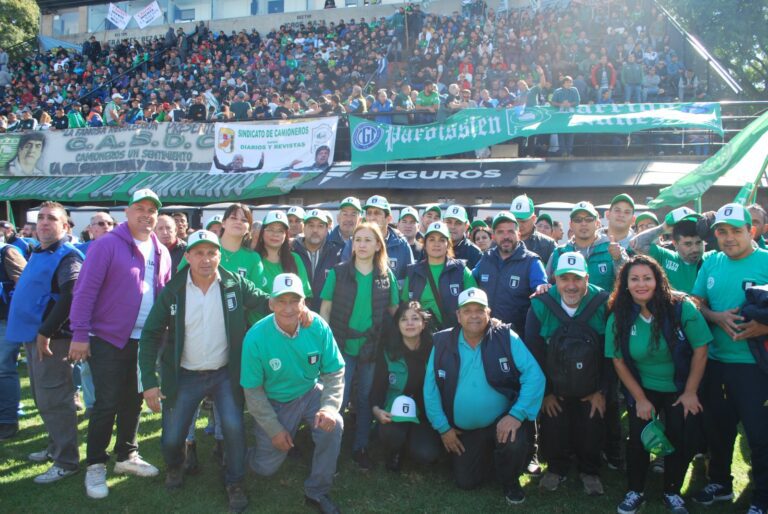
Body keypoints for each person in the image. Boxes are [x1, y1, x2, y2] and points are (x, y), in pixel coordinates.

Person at [137, 231, 273, 512]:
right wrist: (149, 382)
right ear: (187, 257)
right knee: (172, 438)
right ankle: (176, 465)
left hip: (224, 373)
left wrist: (294, 307)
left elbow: (265, 300)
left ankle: (234, 482)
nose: (205, 259)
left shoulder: (234, 283)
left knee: (234, 428)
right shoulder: (174, 290)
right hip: (185, 375)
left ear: (219, 255)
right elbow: (150, 334)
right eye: (198, 253)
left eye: (211, 252)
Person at [69, 189, 172, 499]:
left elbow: (163, 294)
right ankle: (96, 464)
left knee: (133, 400)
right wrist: (79, 333)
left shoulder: (161, 251)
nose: (146, 214)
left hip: (145, 340)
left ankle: (127, 456)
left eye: (151, 210)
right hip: (109, 338)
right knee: (106, 403)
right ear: (127, 213)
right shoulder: (107, 245)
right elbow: (85, 292)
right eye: (139, 208)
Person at [607, 255, 711, 514]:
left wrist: (690, 392)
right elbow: (618, 360)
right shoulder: (619, 314)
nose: (641, 284)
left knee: (679, 438)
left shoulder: (681, 307)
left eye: (647, 278)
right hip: (642, 386)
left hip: (679, 386)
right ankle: (635, 490)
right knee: (638, 439)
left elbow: (701, 349)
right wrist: (640, 399)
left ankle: (672, 492)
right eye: (634, 279)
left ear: (658, 280)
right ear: (625, 284)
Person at [424, 287, 545, 504]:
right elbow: (430, 389)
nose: (473, 315)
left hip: (502, 420)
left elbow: (535, 375)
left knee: (513, 440)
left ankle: (510, 482)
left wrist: (516, 415)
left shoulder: (506, 336)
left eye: (479, 310)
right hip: (464, 430)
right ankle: (493, 458)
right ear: (458, 316)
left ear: (488, 313)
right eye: (467, 310)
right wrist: (443, 428)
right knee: (466, 482)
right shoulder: (441, 342)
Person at [242, 273, 345, 514]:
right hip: (274, 401)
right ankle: (241, 453)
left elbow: (335, 371)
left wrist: (329, 406)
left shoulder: (317, 325)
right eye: (281, 301)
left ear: (304, 302)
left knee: (335, 424)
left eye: (294, 301)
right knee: (265, 467)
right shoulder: (256, 336)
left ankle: (317, 490)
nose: (288, 308)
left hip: (309, 393)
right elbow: (253, 392)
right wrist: (274, 430)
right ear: (271, 303)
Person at [691, 203, 768, 513]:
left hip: (755, 368)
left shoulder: (765, 260)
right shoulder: (710, 262)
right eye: (722, 232)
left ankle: (763, 497)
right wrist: (715, 316)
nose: (729, 238)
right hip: (717, 361)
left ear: (751, 231)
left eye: (736, 231)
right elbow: (695, 303)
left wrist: (763, 325)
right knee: (717, 430)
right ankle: (720, 482)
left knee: (760, 436)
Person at [5, 201, 84, 483]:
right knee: (42, 397)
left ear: (65, 226)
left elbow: (71, 294)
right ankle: (55, 449)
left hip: (51, 340)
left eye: (52, 218)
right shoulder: (40, 251)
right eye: (40, 218)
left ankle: (67, 461)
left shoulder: (67, 256)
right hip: (34, 335)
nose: (44, 223)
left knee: (56, 398)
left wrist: (46, 332)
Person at [525, 252, 609, 496]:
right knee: (554, 426)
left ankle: (590, 470)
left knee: (592, 427)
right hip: (556, 383)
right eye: (564, 279)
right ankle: (557, 468)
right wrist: (546, 393)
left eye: (577, 279)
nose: (571, 286)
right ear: (554, 280)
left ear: (587, 278)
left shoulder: (603, 303)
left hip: (591, 384)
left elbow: (611, 353)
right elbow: (534, 353)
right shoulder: (540, 305)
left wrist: (601, 391)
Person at [320, 223, 399, 470]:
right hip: (341, 347)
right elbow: (325, 310)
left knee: (365, 398)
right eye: (358, 239)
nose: (362, 244)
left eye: (368, 240)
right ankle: (329, 446)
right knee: (338, 399)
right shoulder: (338, 272)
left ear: (378, 246)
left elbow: (394, 312)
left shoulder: (386, 276)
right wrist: (325, 346)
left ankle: (360, 446)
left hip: (371, 348)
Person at [371, 301, 442, 471]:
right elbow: (377, 387)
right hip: (394, 412)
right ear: (397, 324)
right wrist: (376, 410)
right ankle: (395, 450)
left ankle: (414, 442)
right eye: (403, 319)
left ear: (423, 324)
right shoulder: (388, 352)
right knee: (392, 434)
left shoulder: (436, 349)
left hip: (425, 413)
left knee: (427, 454)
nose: (409, 323)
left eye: (415, 318)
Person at [472, 211, 547, 336]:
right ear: (494, 236)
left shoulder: (531, 262)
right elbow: (469, 280)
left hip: (517, 339)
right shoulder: (486, 258)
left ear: (518, 234)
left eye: (510, 232)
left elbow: (540, 291)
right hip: (485, 336)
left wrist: (542, 287)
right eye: (500, 232)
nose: (506, 236)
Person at [402, 222, 477, 331]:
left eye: (442, 240)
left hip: (453, 336)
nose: (436, 244)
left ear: (448, 244)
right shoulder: (413, 272)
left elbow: (474, 304)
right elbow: (405, 306)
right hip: (422, 337)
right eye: (432, 239)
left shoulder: (461, 270)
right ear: (425, 244)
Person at [547, 202, 628, 293]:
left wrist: (618, 259)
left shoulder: (614, 249)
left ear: (597, 223)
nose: (583, 223)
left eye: (589, 219)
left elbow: (628, 282)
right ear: (571, 225)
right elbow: (547, 285)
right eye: (578, 220)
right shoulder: (559, 252)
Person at [630, 207, 713, 294]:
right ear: (675, 244)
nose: (695, 249)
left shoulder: (712, 258)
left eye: (698, 242)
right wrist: (663, 227)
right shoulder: (666, 257)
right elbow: (636, 244)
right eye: (688, 244)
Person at [340, 196, 414, 282]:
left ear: (388, 218)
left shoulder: (401, 244)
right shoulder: (353, 242)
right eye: (369, 213)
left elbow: (410, 279)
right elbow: (344, 277)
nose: (372, 217)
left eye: (377, 213)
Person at [0, 236, 27, 440]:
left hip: (5, 320)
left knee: (3, 368)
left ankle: (8, 420)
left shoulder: (7, 252)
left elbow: (27, 284)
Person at [254, 210, 312, 304]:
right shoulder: (253, 259)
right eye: (271, 229)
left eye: (280, 231)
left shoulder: (295, 259)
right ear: (262, 232)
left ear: (286, 235)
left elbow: (305, 295)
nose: (275, 234)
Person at [292, 209, 343, 312]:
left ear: (326, 229)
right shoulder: (292, 251)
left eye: (320, 226)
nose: (315, 230)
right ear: (304, 228)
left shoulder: (337, 253)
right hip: (296, 315)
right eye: (311, 225)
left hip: (327, 317)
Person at [510, 194, 555, 265]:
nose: (519, 225)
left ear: (534, 219)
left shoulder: (548, 245)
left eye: (523, 221)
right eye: (515, 221)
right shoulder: (501, 241)